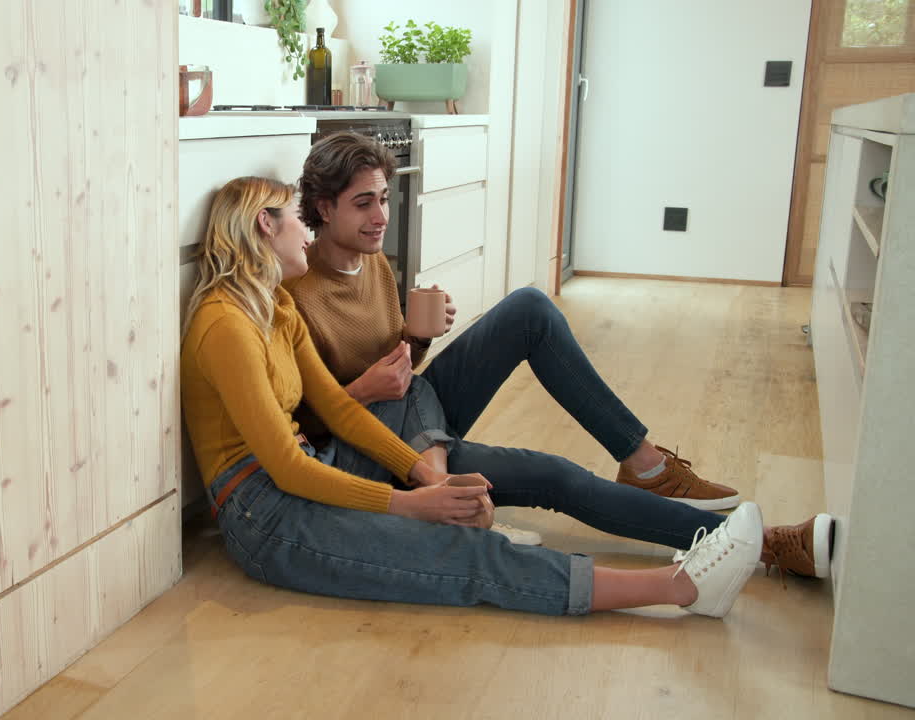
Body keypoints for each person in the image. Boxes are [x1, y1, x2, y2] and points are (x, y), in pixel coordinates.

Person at [181, 174, 782, 619]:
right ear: (266, 224)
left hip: (317, 466)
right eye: (297, 220)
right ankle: (682, 586)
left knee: (537, 469)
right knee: (464, 557)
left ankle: (722, 538)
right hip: (264, 512)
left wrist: (424, 473)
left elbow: (337, 411)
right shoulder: (225, 324)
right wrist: (415, 506)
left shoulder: (276, 304)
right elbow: (284, 467)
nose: (305, 236)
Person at [283, 132, 832, 577]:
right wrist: (363, 392)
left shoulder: (374, 261)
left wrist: (418, 339)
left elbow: (405, 377)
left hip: (412, 420)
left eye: (384, 198)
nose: (380, 215)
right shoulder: (295, 293)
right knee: (558, 476)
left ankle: (644, 462)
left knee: (527, 307)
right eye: (363, 203)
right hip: (366, 451)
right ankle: (758, 545)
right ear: (324, 209)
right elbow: (294, 428)